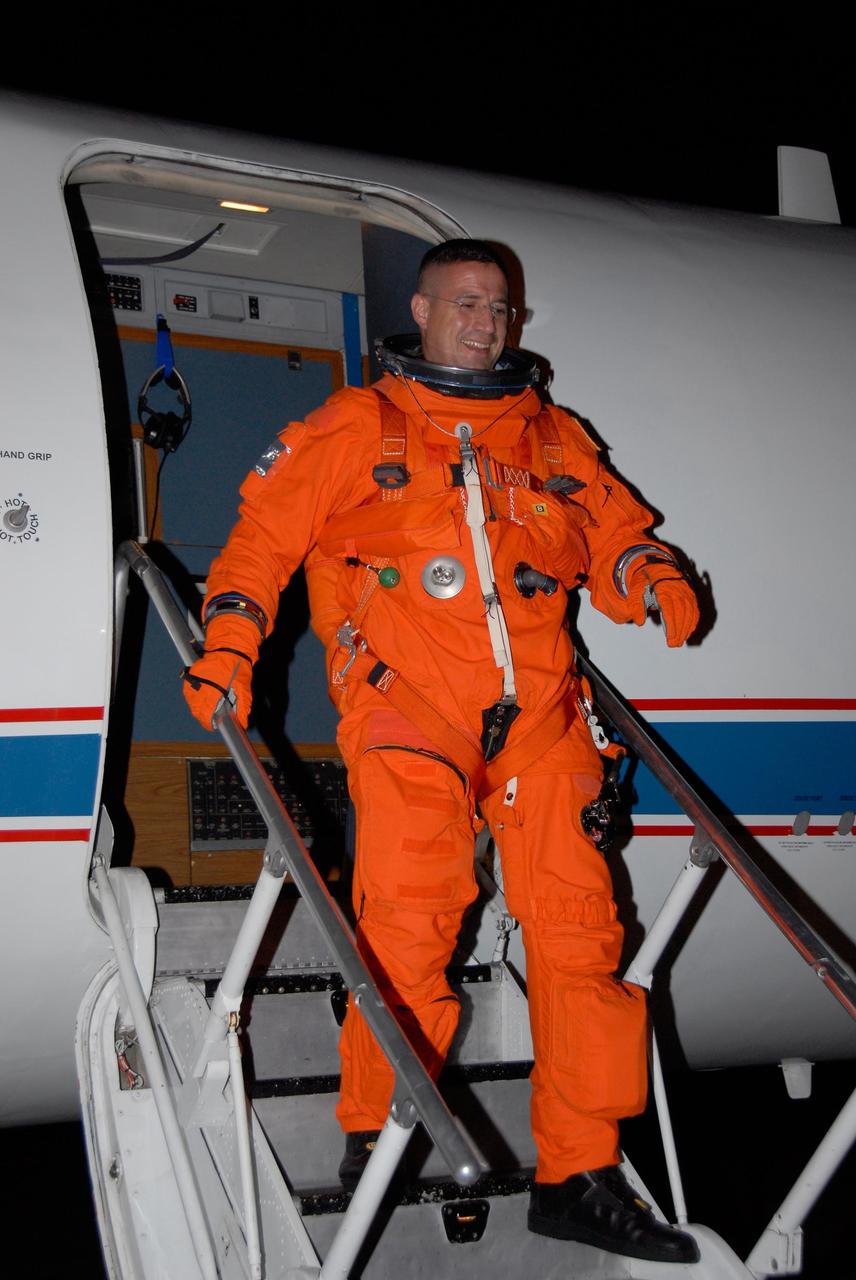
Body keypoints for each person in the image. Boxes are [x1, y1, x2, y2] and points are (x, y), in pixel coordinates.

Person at [183, 240, 700, 1265]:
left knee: (579, 934)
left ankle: (580, 1170)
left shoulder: (552, 438)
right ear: (420, 307)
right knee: (409, 928)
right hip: (407, 707)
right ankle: (377, 1137)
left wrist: (648, 572)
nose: (485, 318)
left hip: (543, 718)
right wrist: (231, 645)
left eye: (500, 305)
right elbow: (258, 543)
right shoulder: (353, 426)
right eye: (465, 300)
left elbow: (611, 533)